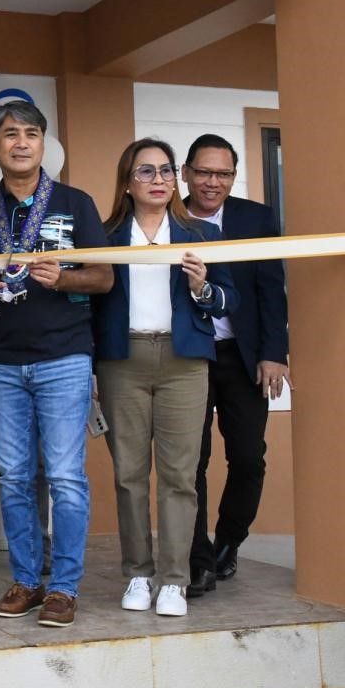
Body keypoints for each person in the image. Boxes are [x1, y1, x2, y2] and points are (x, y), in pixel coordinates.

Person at [0, 101, 111, 629]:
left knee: (65, 477)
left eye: (31, 134)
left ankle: (64, 587)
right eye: (9, 135)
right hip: (1, 363)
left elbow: (104, 278)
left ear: (44, 144)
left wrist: (62, 279)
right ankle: (26, 580)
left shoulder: (75, 202)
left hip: (64, 357)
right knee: (17, 478)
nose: (21, 143)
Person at [93, 139, 237, 618]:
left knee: (179, 475)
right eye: (146, 171)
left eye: (165, 170)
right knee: (129, 475)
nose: (158, 179)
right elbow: (90, 303)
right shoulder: (107, 235)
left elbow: (227, 300)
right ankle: (138, 572)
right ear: (127, 182)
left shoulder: (200, 234)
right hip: (122, 361)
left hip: (184, 362)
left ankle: (174, 579)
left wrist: (201, 287)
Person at [181, 134, 291, 593]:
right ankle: (197, 557)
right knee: (192, 462)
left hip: (244, 358)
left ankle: (228, 542)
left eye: (223, 173)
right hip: (189, 357)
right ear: (186, 173)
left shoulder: (256, 218)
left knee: (248, 457)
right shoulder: (170, 216)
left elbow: (271, 289)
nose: (213, 182)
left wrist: (274, 354)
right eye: (204, 172)